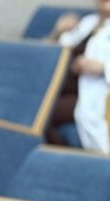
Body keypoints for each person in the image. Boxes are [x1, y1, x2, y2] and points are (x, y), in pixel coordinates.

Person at [47, 1, 110, 152]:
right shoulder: (88, 22)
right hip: (55, 88)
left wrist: (102, 68)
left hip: (90, 95)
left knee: (39, 112)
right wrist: (57, 32)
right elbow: (48, 53)